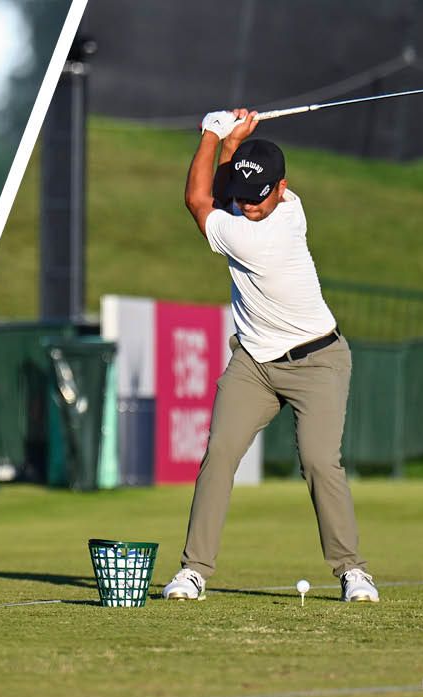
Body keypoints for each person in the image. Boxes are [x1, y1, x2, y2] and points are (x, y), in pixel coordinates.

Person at [161, 108, 379, 604]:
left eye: (258, 199)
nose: (248, 206)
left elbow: (197, 199)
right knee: (219, 455)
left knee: (321, 462)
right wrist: (237, 142)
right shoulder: (257, 203)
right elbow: (231, 182)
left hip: (318, 360)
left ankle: (352, 571)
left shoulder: (264, 233)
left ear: (283, 189)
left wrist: (212, 133)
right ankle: (194, 571)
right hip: (255, 364)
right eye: (242, 198)